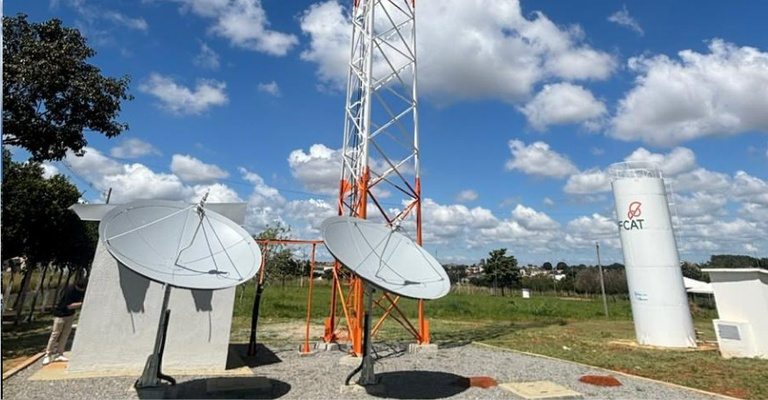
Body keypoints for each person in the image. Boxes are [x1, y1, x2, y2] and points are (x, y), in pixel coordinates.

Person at [42, 278, 88, 365]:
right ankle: (48, 354)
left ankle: (60, 354)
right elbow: (68, 306)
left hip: (70, 315)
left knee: (65, 334)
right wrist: (82, 303)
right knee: (55, 334)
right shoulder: (70, 291)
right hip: (60, 315)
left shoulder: (81, 291)